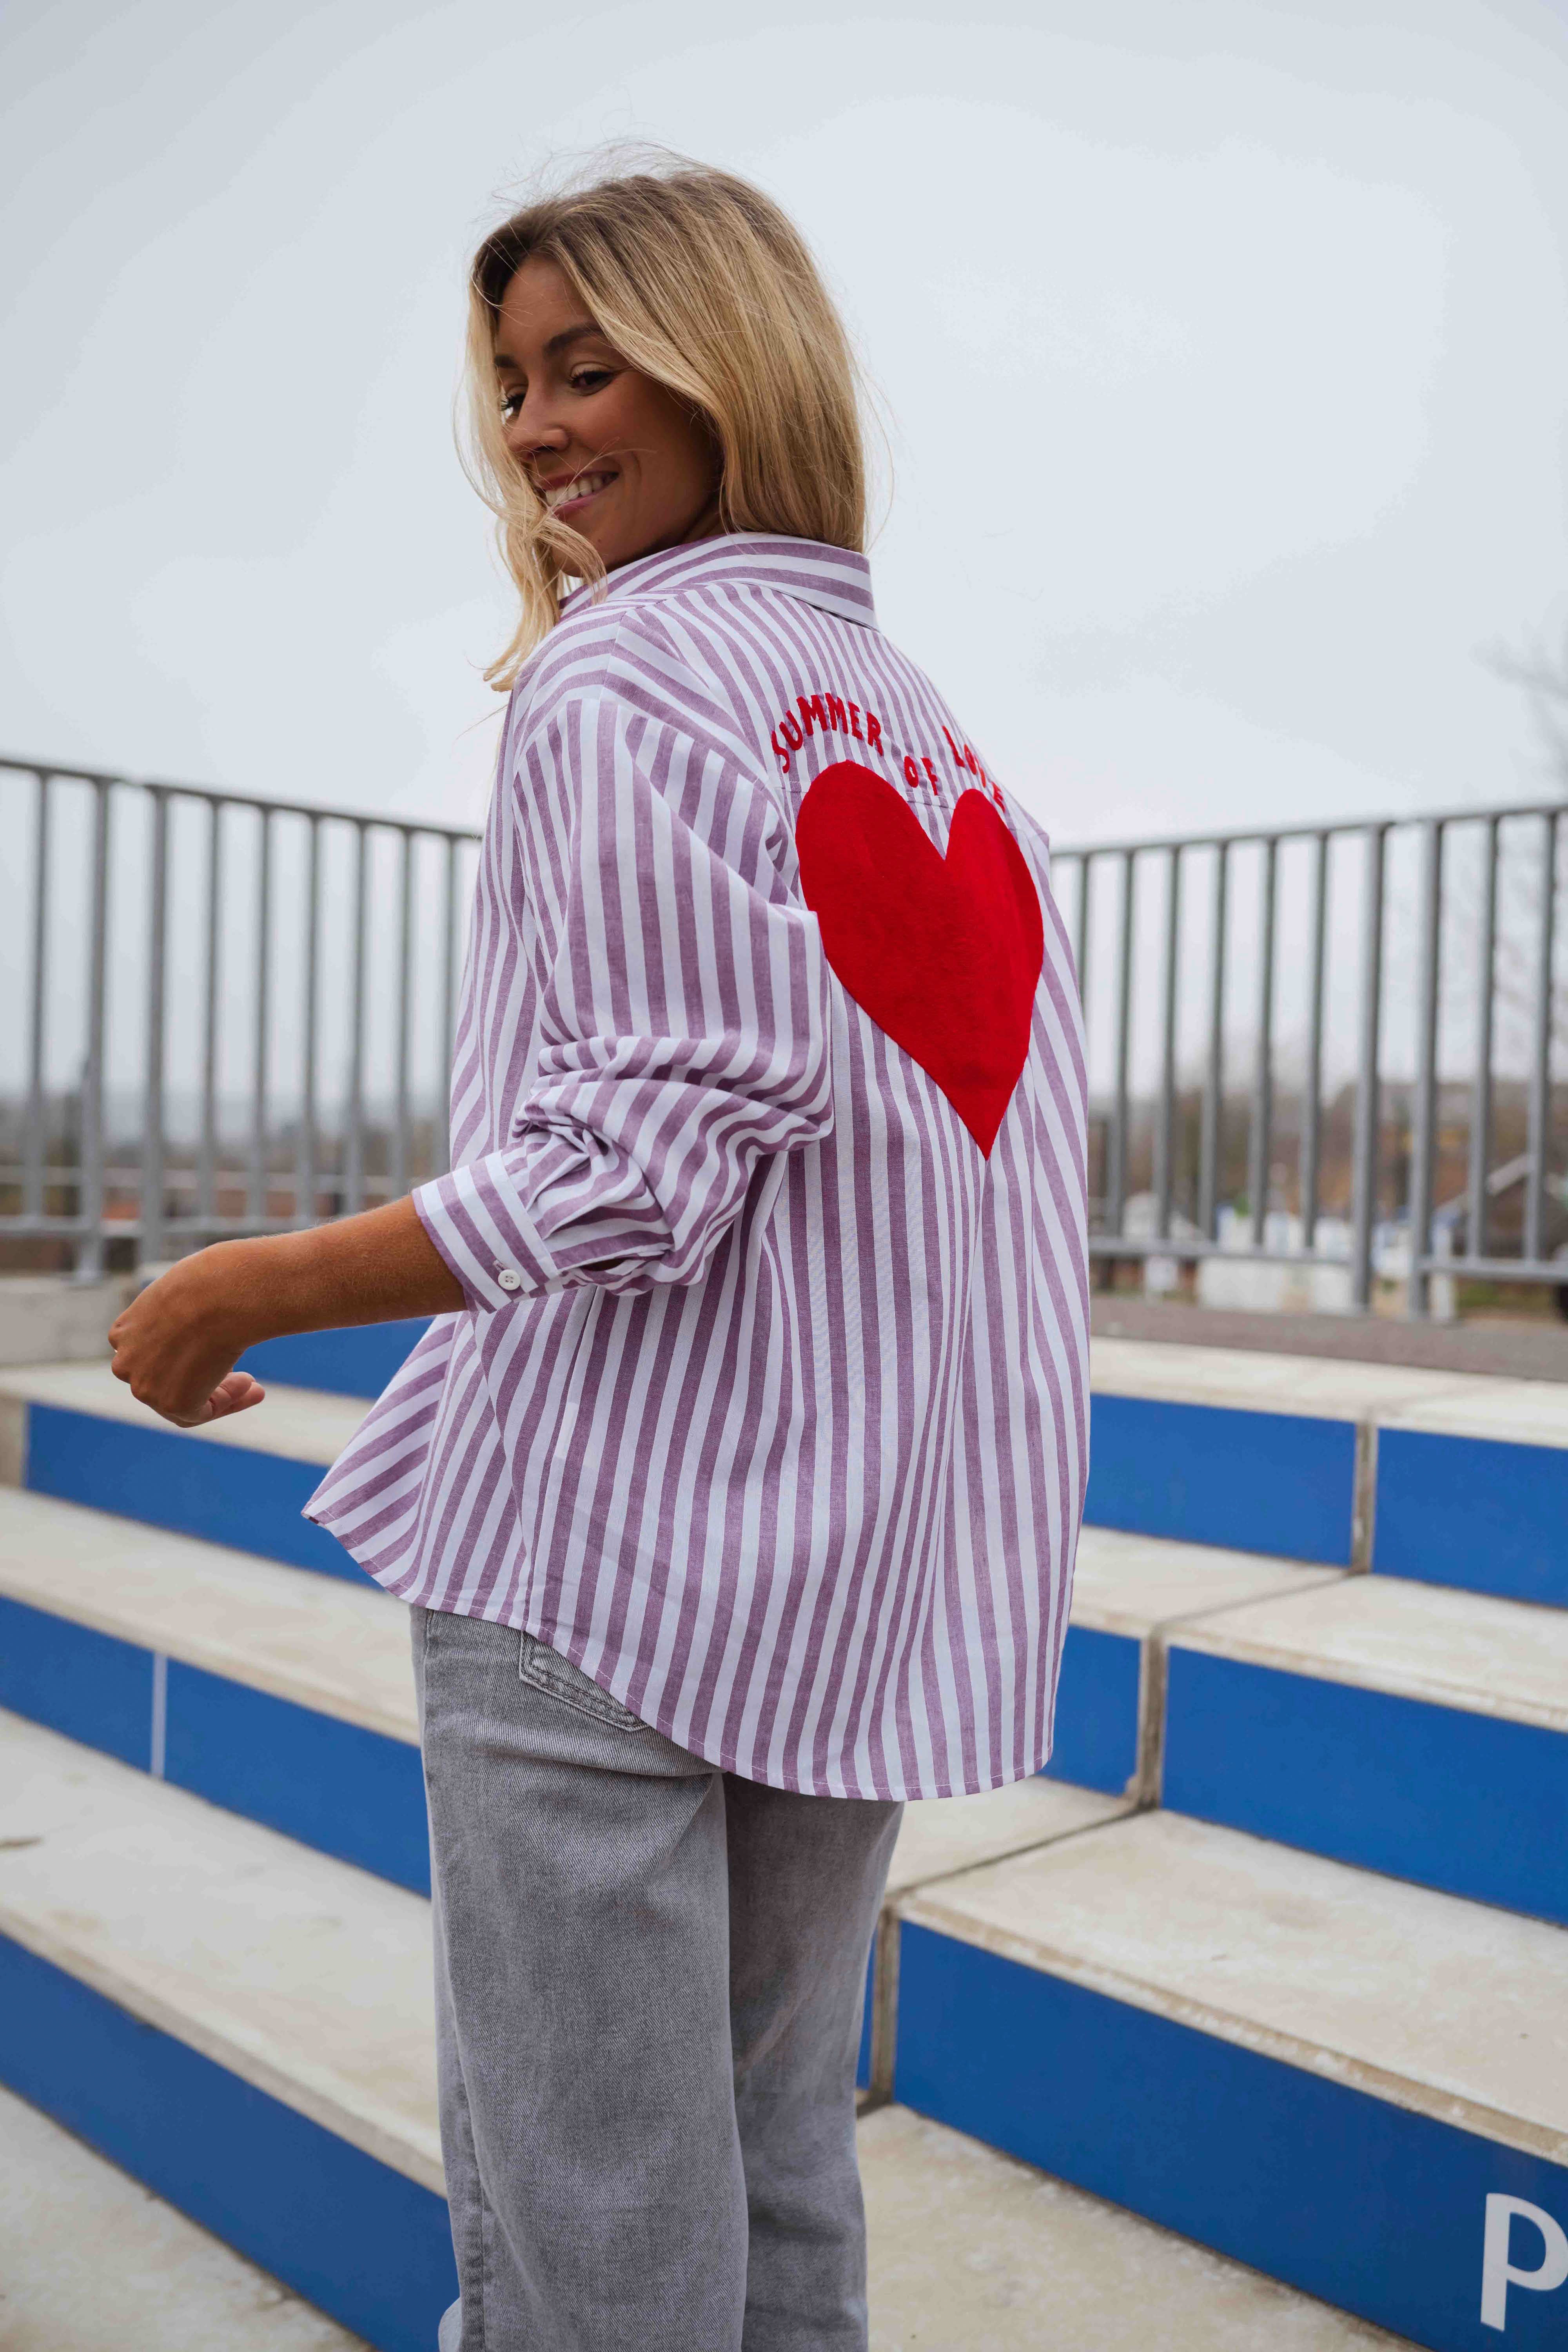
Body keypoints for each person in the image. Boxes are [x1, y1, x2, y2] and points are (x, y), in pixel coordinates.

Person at [108, 156, 1089, 2352]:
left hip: (617, 1561)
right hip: (854, 1580)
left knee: (590, 2249)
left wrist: (242, 1287)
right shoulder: (937, 739)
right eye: (515, 383)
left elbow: (642, 1158)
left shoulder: (622, 682)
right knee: (770, 2188)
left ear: (731, 362)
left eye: (591, 365)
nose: (541, 428)